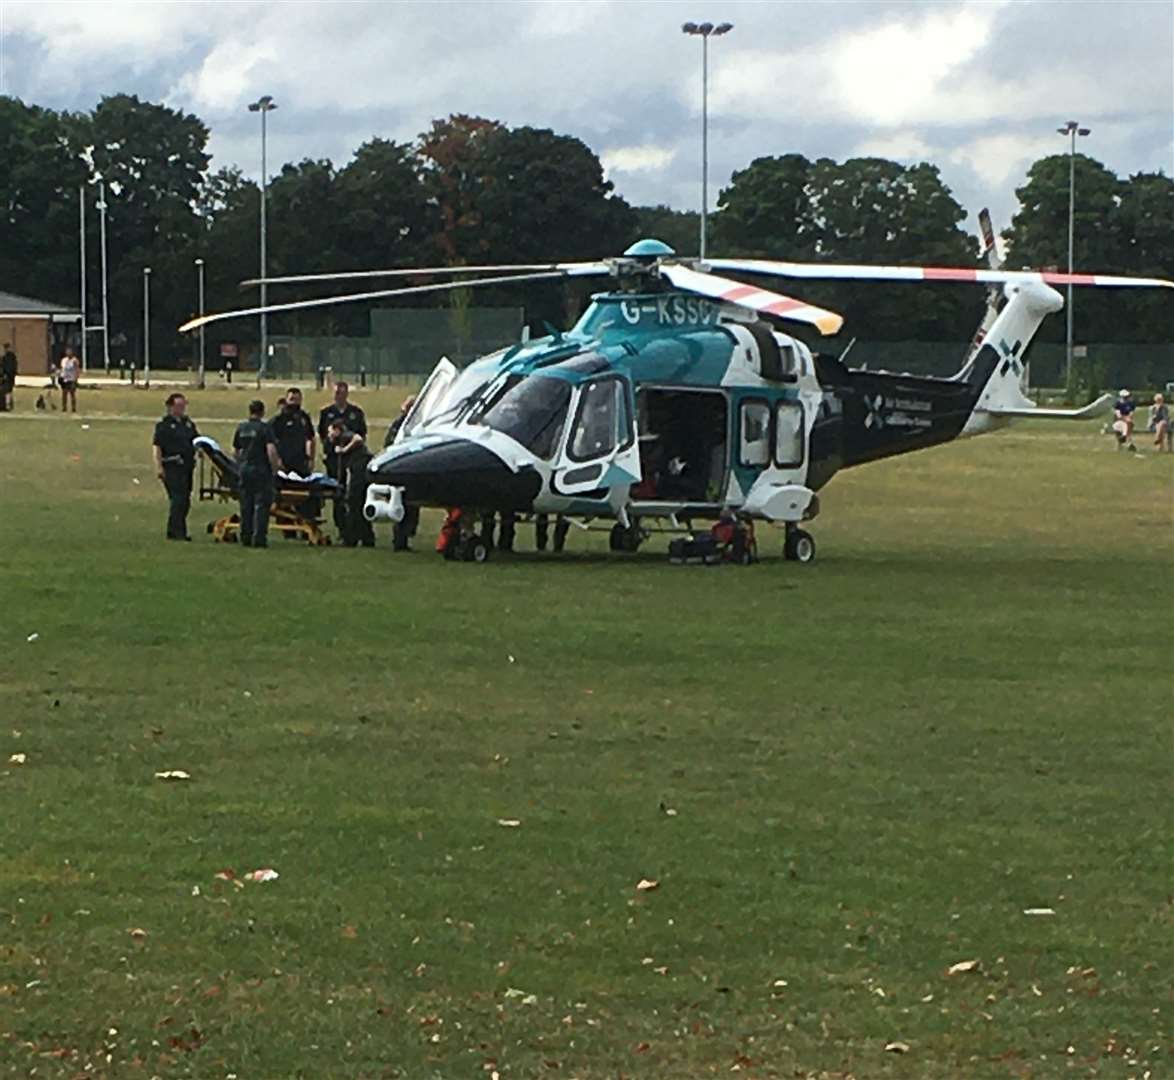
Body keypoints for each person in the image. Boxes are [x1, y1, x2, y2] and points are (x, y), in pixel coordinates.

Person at [317, 381, 367, 535]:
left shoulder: (355, 412)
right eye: (337, 392)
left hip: (352, 460)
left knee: (352, 493)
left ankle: (353, 527)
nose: (339, 395)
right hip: (334, 460)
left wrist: (346, 448)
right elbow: (322, 434)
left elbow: (361, 436)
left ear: (347, 394)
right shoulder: (327, 412)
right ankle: (341, 527)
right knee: (336, 492)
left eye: (342, 392)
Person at [232, 399, 282, 548]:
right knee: (261, 504)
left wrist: (241, 465)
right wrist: (275, 469)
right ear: (262, 412)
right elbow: (271, 450)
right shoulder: (264, 429)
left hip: (245, 469)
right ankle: (259, 538)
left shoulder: (241, 428)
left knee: (246, 504)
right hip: (261, 469)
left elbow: (235, 451)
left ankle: (245, 536)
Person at [152, 392, 199, 541]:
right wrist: (159, 467)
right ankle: (178, 532)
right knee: (178, 499)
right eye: (179, 406)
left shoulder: (188, 424)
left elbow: (196, 440)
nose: (182, 409)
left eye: (184, 405)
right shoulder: (164, 426)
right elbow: (157, 447)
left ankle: (176, 530)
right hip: (172, 465)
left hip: (187, 467)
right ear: (170, 407)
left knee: (185, 500)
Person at [326, 419, 375, 547]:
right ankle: (366, 538)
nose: (329, 435)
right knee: (358, 504)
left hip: (360, 471)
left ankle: (352, 539)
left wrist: (344, 449)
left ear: (337, 430)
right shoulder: (341, 439)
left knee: (354, 502)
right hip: (359, 470)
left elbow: (358, 438)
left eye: (330, 432)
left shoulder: (345, 435)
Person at [386, 394, 420, 551]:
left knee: (413, 507)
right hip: (401, 470)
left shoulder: (420, 424)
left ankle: (407, 534)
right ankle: (399, 540)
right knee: (402, 505)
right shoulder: (399, 425)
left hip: (414, 470)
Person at [270, 387, 316, 476]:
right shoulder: (278, 419)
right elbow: (271, 442)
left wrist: (311, 459)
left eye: (297, 400)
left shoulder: (304, 417)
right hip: (284, 462)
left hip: (301, 462)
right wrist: (277, 460)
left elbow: (310, 438)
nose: (294, 403)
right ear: (286, 400)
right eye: (291, 399)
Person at [59, 348, 80, 413]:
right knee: (64, 394)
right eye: (67, 352)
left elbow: (77, 370)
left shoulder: (74, 360)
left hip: (71, 379)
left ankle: (73, 408)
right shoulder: (63, 360)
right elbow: (62, 369)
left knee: (72, 394)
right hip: (64, 379)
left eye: (70, 352)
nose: (68, 353)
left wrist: (76, 379)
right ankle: (64, 408)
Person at [0, 342, 16, 412]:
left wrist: (5, 374)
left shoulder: (9, 357)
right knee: (8, 391)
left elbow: (9, 367)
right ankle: (8, 404)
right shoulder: (6, 357)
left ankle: (8, 404)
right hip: (8, 377)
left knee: (8, 391)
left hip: (8, 376)